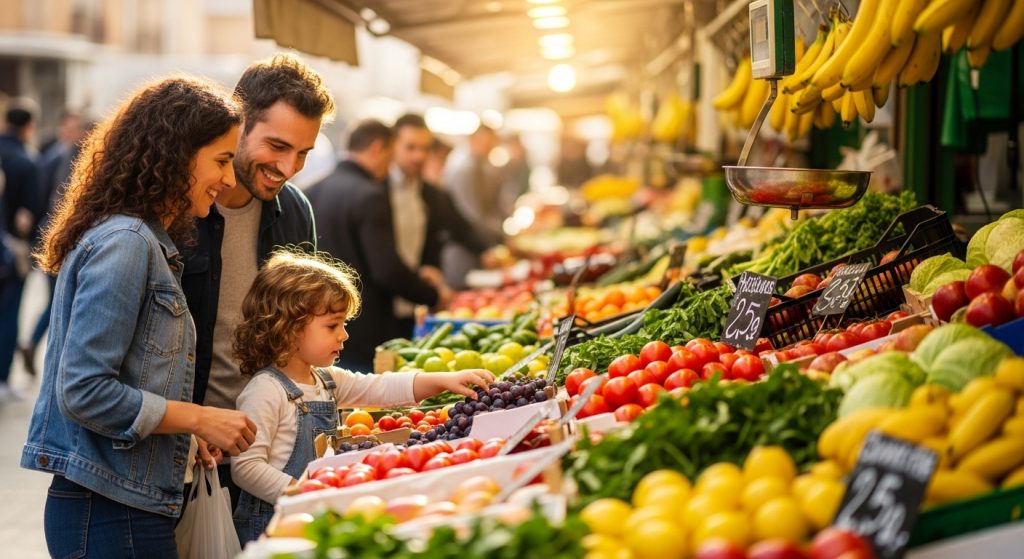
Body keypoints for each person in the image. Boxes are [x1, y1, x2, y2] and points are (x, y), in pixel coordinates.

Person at [20, 76, 258, 559]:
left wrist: (185, 436)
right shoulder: (128, 244)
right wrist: (199, 417)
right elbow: (84, 390)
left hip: (121, 502)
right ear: (176, 154)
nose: (230, 180)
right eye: (221, 160)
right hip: (108, 509)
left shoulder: (142, 239)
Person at [230, 250, 494, 544]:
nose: (343, 335)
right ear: (289, 329)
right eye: (332, 326)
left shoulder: (326, 379)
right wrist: (305, 490)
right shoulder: (265, 390)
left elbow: (381, 389)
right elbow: (246, 468)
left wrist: (443, 380)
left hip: (320, 513)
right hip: (279, 526)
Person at [181, 53, 333, 504]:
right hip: (184, 453)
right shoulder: (177, 209)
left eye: (303, 153)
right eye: (278, 147)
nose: (288, 169)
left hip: (268, 452)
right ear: (238, 119)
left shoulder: (295, 211)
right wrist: (190, 424)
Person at [305, 119, 451, 372]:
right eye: (391, 156)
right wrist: (433, 296)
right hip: (365, 323)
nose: (390, 165)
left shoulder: (310, 191)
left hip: (318, 324)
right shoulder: (369, 194)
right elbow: (386, 269)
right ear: (376, 149)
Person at [389, 115, 494, 326]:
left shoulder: (432, 193)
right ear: (392, 145)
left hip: (416, 300)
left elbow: (460, 226)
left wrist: (487, 250)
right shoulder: (376, 191)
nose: (419, 156)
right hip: (384, 302)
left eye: (425, 148)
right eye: (410, 147)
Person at [20, 110, 90, 376]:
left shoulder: (74, 157)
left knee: (59, 301)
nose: (73, 133)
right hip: (57, 238)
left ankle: (34, 345)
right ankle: (40, 349)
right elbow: (39, 201)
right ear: (63, 129)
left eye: (77, 128)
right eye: (70, 128)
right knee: (59, 301)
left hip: (65, 237)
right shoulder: (55, 159)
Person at [0, 97, 42, 399]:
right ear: (28, 126)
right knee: (9, 314)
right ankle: (2, 378)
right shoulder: (26, 161)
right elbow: (31, 212)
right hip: (12, 250)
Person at [441, 124, 503, 289]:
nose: (491, 148)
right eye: (488, 142)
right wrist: (501, 237)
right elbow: (471, 215)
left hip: (475, 242)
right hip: (463, 247)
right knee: (463, 292)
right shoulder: (464, 168)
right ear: (474, 140)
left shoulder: (478, 164)